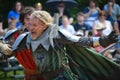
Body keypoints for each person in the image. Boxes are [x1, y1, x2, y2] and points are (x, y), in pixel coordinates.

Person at [0, 10, 120, 80]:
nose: (30, 28)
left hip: (63, 77)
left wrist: (103, 40)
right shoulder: (26, 38)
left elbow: (81, 41)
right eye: (30, 24)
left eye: (34, 25)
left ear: (44, 25)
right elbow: (11, 52)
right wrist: (3, 48)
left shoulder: (56, 35)